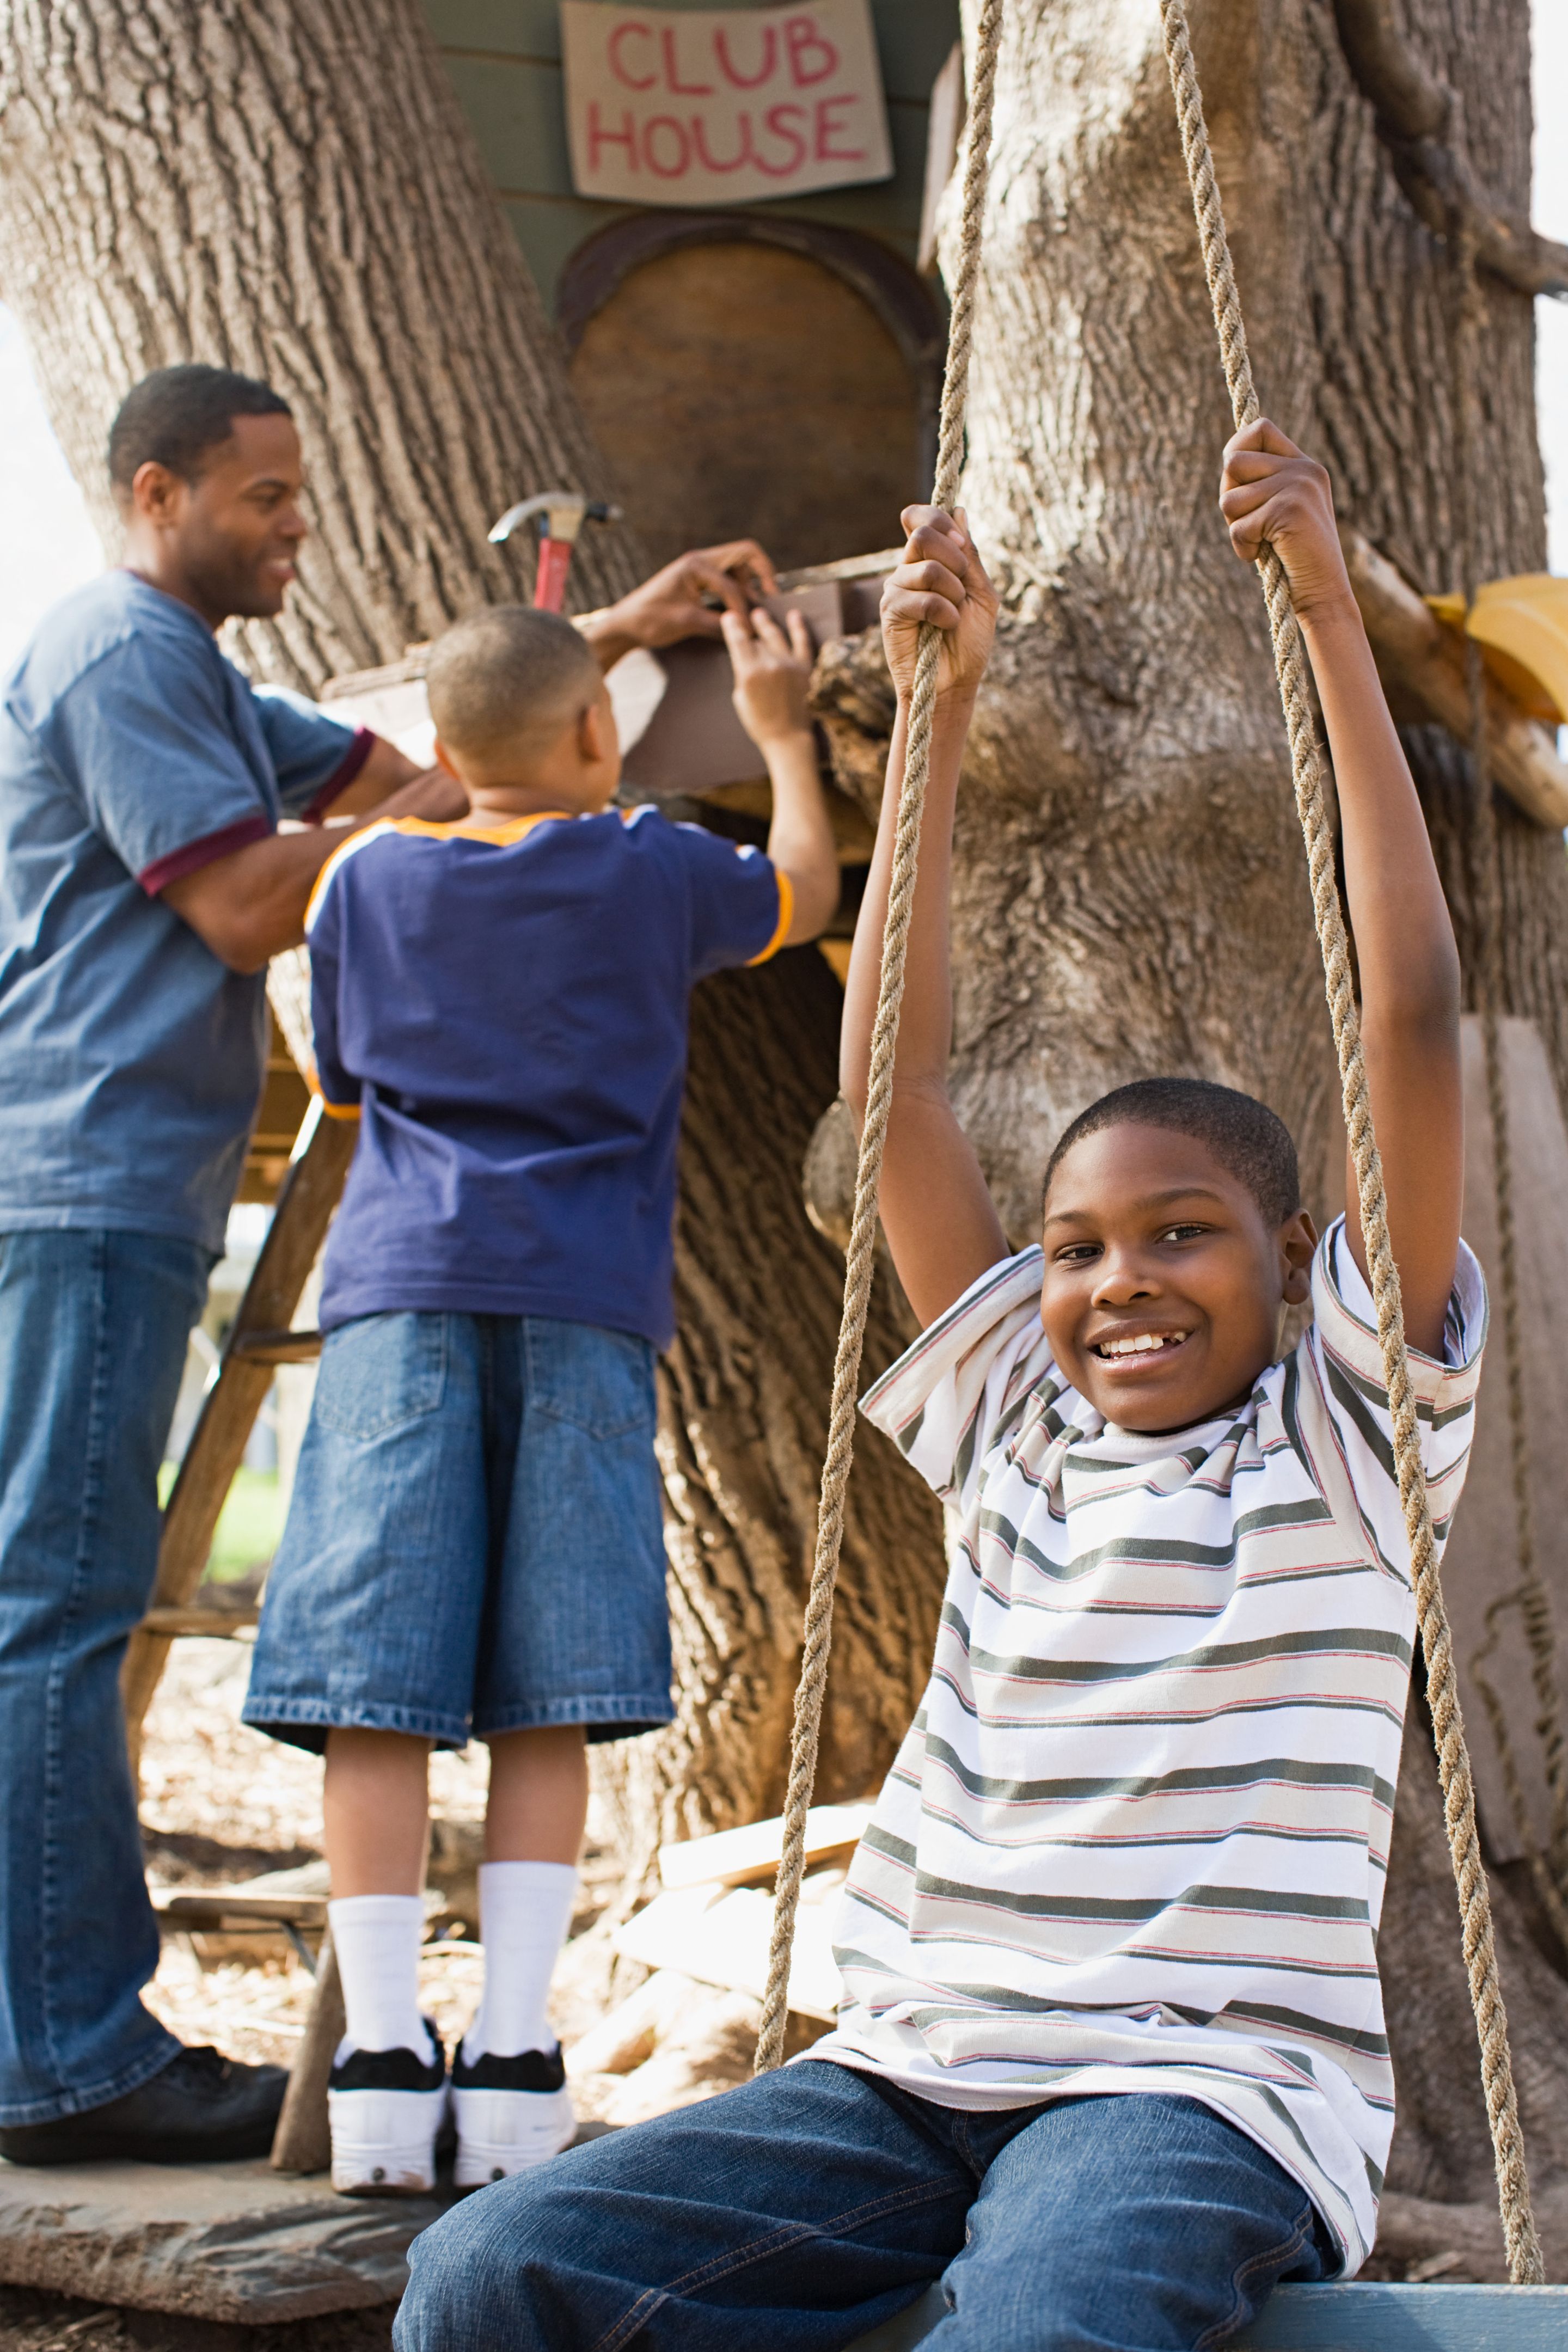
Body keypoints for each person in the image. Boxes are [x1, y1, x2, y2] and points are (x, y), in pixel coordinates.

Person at [393, 422, 1481, 2351]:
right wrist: (936, 722)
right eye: (1072, 1248)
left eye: (1181, 1235)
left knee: (1043, 2317)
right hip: (907, 2081)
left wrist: (1321, 614)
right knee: (488, 2277)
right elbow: (888, 1085)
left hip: (1190, 2092)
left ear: (1301, 1263)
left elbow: (1399, 1011)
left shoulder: (1343, 1441)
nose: (1118, 1283)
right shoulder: (1019, 1432)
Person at [0, 356, 806, 2169]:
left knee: (87, 1602)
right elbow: (253, 892)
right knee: (51, 1603)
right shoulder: (122, 655)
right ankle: (59, 2057)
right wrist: (572, 818)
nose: (299, 528)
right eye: (266, 499)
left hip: (164, 1173)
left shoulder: (198, 677)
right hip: (78, 1163)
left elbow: (445, 767)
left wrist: (595, 637)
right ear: (155, 496)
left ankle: (95, 2040)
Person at [240, 597, 840, 2196]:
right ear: (601, 736)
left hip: (397, 1302)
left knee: (376, 1684)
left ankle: (380, 2054)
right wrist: (781, 734)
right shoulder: (654, 867)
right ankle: (511, 2054)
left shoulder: (363, 877)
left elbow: (343, 1087)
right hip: (584, 1305)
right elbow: (804, 894)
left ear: (441, 755)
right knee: (545, 1690)